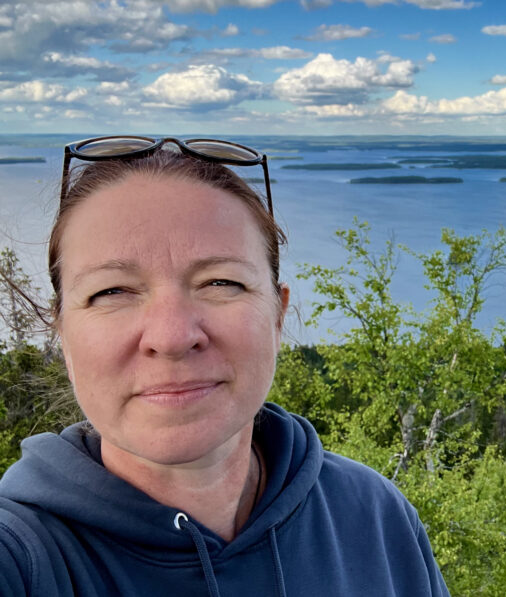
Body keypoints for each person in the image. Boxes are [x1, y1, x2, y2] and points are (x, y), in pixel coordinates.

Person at [0, 137, 450, 596]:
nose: (172, 337)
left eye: (220, 282)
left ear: (277, 315)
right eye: (112, 291)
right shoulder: (20, 556)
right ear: (62, 333)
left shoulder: (373, 518)